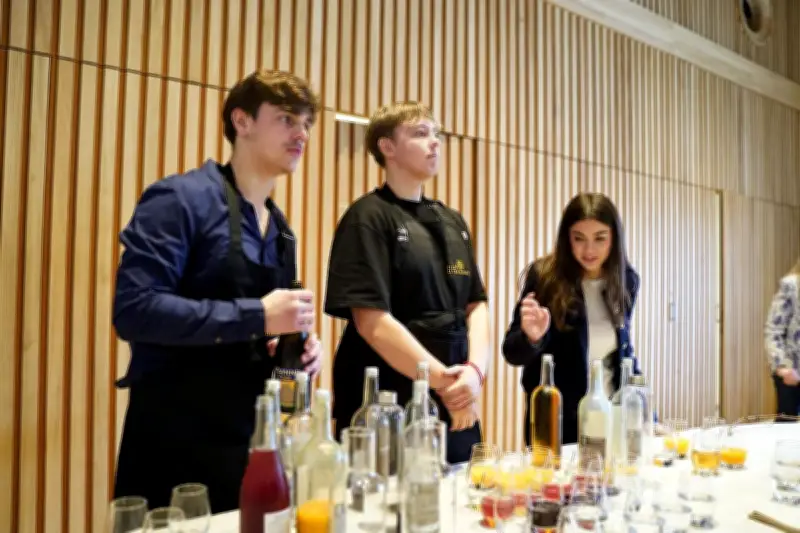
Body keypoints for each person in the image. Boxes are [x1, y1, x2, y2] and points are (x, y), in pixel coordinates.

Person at [112, 69, 323, 512]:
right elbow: (134, 309)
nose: (302, 133)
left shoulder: (281, 229)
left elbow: (269, 326)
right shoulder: (180, 199)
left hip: (251, 440)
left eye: (307, 123)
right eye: (287, 119)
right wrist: (258, 316)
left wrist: (298, 347)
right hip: (175, 439)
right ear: (241, 121)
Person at [323, 102, 490, 464]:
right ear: (387, 147)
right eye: (420, 133)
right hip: (390, 397)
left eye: (436, 133)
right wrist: (445, 383)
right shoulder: (367, 217)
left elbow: (476, 304)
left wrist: (474, 374)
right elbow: (372, 321)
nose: (435, 142)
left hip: (455, 394)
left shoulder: (452, 221)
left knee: (462, 487)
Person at [502, 193, 641, 446]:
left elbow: (623, 353)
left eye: (600, 238)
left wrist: (644, 411)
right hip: (557, 422)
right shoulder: (545, 278)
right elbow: (512, 352)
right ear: (567, 238)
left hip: (610, 418)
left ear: (614, 238)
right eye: (579, 239)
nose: (589, 250)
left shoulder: (626, 281)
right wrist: (532, 338)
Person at [764, 259, 800, 421]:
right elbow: (774, 330)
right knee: (788, 428)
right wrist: (782, 367)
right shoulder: (791, 285)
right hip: (792, 373)